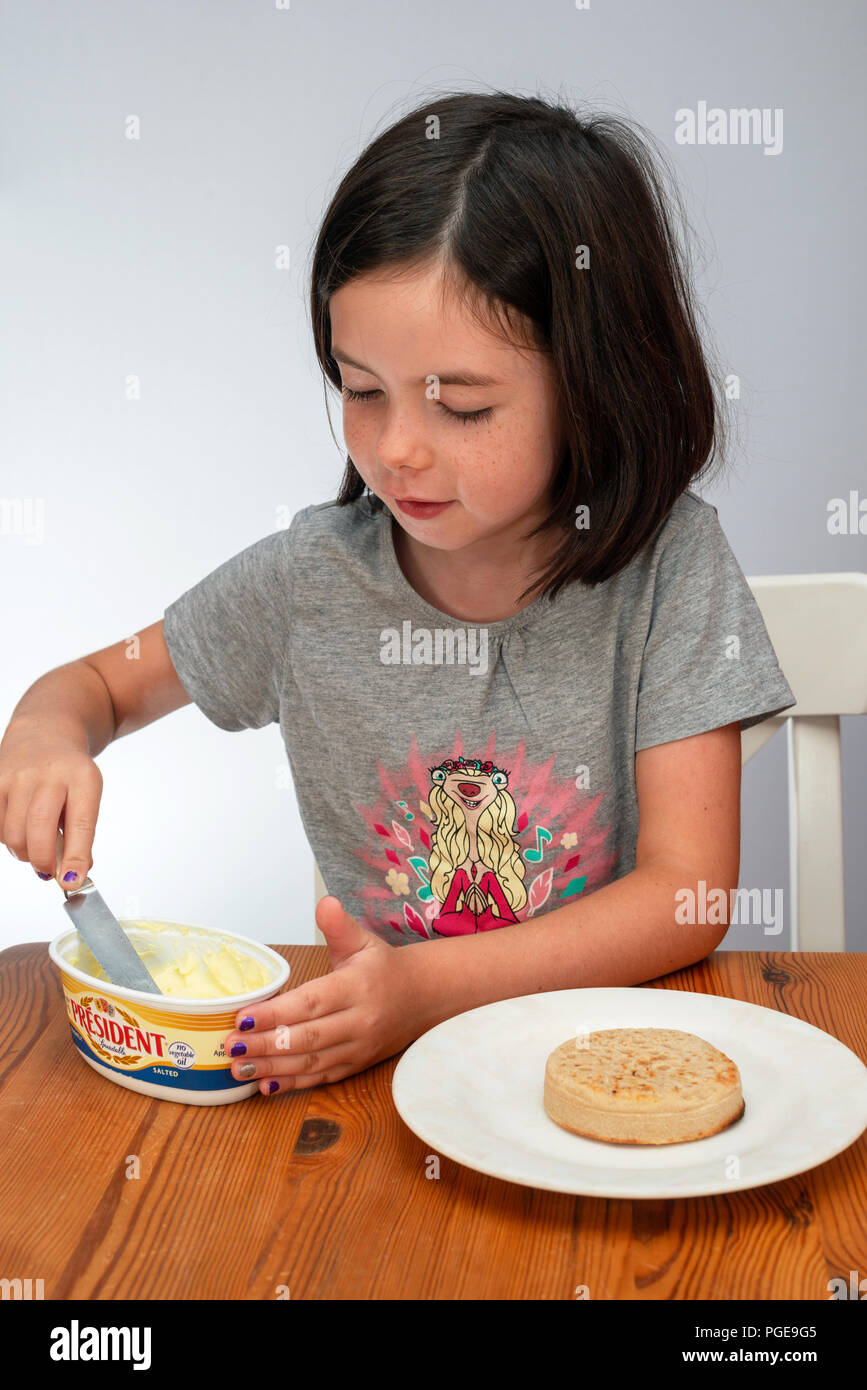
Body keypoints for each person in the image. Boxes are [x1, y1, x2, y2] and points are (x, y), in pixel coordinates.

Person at [0, 90, 796, 1095]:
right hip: (388, 1084)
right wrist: (40, 733)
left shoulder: (671, 567)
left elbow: (688, 891)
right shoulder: (311, 583)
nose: (398, 446)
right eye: (361, 390)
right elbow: (99, 688)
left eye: (461, 405)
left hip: (610, 1069)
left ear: (598, 382)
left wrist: (423, 986)